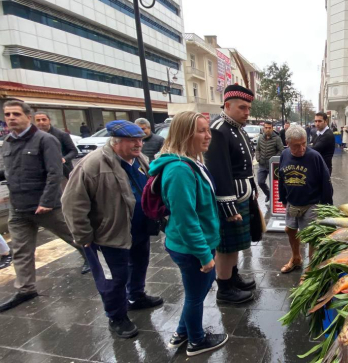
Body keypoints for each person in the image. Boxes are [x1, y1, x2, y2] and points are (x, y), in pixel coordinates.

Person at [62, 120, 163, 339]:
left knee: (139, 264)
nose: (138, 144)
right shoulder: (92, 164)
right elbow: (72, 203)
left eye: (140, 139)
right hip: (107, 236)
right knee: (113, 279)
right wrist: (83, 236)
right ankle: (116, 317)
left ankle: (136, 296)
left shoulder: (139, 159)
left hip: (138, 230)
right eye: (132, 140)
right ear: (115, 141)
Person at [149, 111, 228, 356]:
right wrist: (204, 255)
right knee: (196, 295)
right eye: (201, 131)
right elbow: (185, 218)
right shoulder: (180, 170)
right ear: (184, 134)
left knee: (197, 291)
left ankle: (182, 332)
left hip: (193, 243)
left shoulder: (191, 161)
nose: (208, 136)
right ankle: (196, 341)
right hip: (192, 246)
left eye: (208, 130)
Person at [0, 101, 89, 313]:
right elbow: (8, 172)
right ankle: (26, 289)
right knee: (21, 251)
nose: (11, 118)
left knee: (75, 237)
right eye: (7, 114)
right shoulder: (8, 141)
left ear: (27, 117)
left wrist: (47, 202)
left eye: (16, 114)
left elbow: (54, 172)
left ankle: (95, 262)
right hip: (19, 208)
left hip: (45, 207)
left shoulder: (45, 140)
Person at [204, 84, 257, 304]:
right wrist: (228, 205)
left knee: (234, 244)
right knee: (225, 246)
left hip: (241, 195)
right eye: (242, 107)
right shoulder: (219, 128)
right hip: (229, 199)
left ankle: (232, 277)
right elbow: (219, 169)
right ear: (227, 105)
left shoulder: (235, 126)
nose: (247, 112)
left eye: (248, 108)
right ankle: (224, 288)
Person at [278, 125, 333, 273]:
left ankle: (311, 267)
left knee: (312, 236)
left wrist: (327, 206)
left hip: (312, 203)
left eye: (304, 144)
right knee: (290, 230)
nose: (302, 148)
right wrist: (282, 198)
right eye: (297, 145)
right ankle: (296, 258)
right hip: (292, 201)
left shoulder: (314, 156)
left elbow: (326, 181)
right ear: (287, 143)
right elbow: (281, 178)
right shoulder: (284, 154)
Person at [34, 112, 78, 180]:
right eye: (38, 120)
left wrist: (64, 159)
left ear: (49, 120)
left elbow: (74, 151)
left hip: (62, 172)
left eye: (44, 119)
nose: (41, 122)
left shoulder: (62, 135)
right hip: (42, 173)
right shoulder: (33, 136)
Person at [256, 121, 284, 202]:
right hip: (262, 165)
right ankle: (268, 194)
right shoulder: (260, 138)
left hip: (273, 166)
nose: (267, 129)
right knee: (260, 182)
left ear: (272, 128)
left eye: (269, 128)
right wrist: (258, 158)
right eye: (266, 128)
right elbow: (257, 150)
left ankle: (277, 200)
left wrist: (273, 159)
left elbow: (281, 150)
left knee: (276, 185)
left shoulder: (277, 138)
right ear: (263, 128)